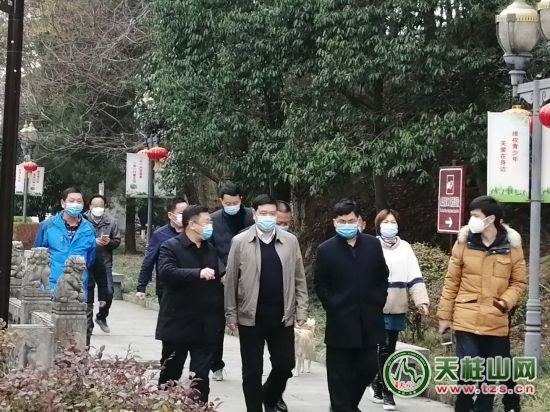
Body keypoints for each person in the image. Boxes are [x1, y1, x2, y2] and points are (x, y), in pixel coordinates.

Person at [437, 195, 527, 412]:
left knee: (490, 375)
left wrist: (504, 302)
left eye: (476, 216)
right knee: (469, 369)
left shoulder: (512, 247)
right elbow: (451, 281)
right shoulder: (463, 243)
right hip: (466, 316)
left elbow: (518, 282)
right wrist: (444, 316)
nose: (472, 220)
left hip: (496, 318)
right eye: (471, 215)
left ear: (491, 219)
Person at [225, 194, 308, 412]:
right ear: (254, 214)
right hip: (250, 317)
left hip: (282, 316)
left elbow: (299, 278)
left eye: (272, 214)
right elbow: (231, 280)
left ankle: (269, 396)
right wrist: (230, 314)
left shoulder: (290, 241)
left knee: (285, 364)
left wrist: (301, 309)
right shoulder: (240, 241)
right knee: (252, 370)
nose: (268, 217)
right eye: (263, 213)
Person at [314, 199, 388, 412]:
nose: (347, 225)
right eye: (342, 221)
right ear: (335, 222)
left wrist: (378, 300)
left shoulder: (373, 244)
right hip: (341, 321)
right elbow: (321, 284)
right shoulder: (326, 250)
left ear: (360, 221)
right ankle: (341, 407)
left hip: (369, 319)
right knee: (338, 374)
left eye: (351, 220)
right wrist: (333, 305)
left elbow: (382, 276)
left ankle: (346, 406)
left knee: (368, 367)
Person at [155, 205, 223, 405]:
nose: (210, 226)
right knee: (170, 373)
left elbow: (218, 277)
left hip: (205, 324)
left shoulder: (210, 249)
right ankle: (164, 407)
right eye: (207, 222)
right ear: (192, 225)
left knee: (201, 376)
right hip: (178, 322)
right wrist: (197, 273)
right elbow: (166, 272)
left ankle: (199, 407)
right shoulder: (170, 246)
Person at [369, 209, 429, 411]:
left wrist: (421, 300)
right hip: (374, 305)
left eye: (393, 221)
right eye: (385, 222)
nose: (389, 225)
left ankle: (378, 384)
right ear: (378, 225)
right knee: (383, 348)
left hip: (396, 305)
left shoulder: (405, 248)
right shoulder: (371, 245)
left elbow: (414, 275)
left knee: (389, 348)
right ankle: (388, 392)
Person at [210, 182, 254, 381]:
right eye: (227, 203)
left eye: (235, 202)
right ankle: (216, 365)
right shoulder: (213, 220)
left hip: (249, 278)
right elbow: (210, 249)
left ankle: (251, 367)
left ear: (241, 199)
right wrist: (222, 272)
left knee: (249, 324)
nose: (232, 206)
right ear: (221, 201)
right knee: (218, 324)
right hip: (222, 279)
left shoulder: (252, 216)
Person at [34, 187, 97, 298]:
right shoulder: (48, 225)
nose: (75, 204)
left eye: (79, 201)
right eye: (71, 201)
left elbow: (90, 258)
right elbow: (37, 253)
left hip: (77, 288)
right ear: (63, 203)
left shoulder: (89, 228)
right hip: (50, 285)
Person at [136, 198, 188, 303]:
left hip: (189, 285)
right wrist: (141, 286)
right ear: (170, 215)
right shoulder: (159, 235)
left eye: (187, 213)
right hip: (166, 287)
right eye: (181, 213)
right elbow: (149, 260)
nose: (185, 216)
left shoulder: (192, 232)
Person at [84, 194, 121, 334]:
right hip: (87, 262)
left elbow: (117, 240)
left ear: (105, 206)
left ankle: (101, 316)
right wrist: (93, 242)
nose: (98, 208)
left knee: (108, 292)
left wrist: (109, 242)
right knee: (87, 292)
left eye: (100, 206)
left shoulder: (110, 221)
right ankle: (88, 325)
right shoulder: (83, 220)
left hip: (105, 261)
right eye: (95, 206)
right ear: (90, 206)